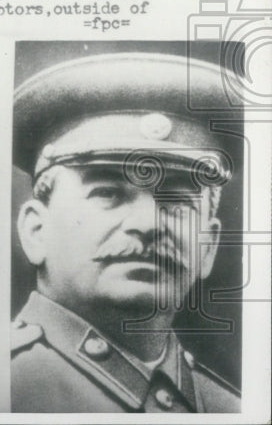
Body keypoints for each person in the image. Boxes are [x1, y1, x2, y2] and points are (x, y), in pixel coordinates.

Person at [12, 52, 241, 413]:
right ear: (36, 230)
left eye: (178, 203)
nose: (149, 223)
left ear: (208, 248)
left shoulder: (229, 409)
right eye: (108, 193)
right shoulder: (8, 388)